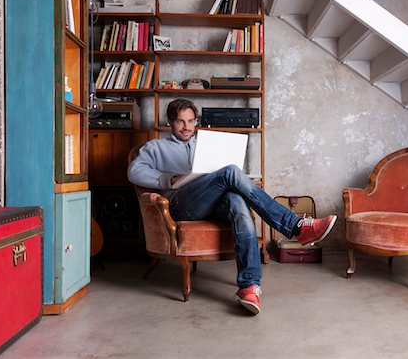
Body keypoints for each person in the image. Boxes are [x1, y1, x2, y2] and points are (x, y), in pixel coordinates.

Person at [128, 99, 337, 315]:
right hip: (181, 206)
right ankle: (296, 226)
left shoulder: (205, 144)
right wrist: (166, 180)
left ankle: (249, 287)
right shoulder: (155, 147)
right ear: (171, 122)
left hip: (210, 202)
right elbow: (134, 172)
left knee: (237, 202)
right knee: (231, 172)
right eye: (180, 121)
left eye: (191, 121)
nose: (186, 127)